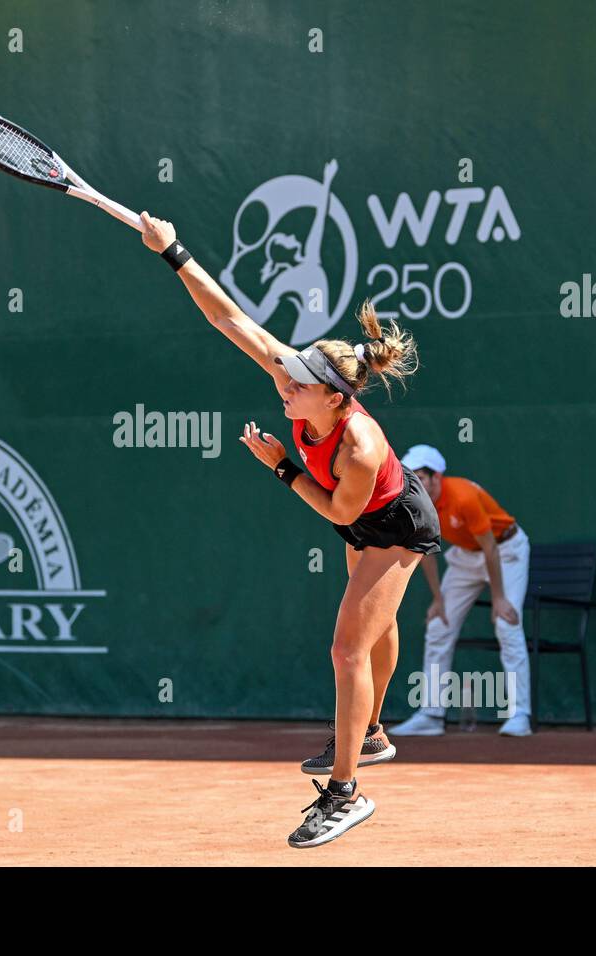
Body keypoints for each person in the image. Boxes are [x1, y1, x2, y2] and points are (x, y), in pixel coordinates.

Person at [139, 211, 441, 848]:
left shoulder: (358, 446)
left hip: (392, 524)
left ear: (333, 398)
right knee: (375, 628)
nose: (285, 382)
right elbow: (228, 318)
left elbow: (339, 512)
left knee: (347, 649)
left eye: (298, 382)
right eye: (289, 371)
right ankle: (375, 732)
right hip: (361, 519)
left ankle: (345, 793)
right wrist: (173, 251)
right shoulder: (297, 379)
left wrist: (281, 466)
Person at [387, 445, 533, 737]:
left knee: (507, 624)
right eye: (410, 476)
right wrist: (438, 600)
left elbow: (490, 547)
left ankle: (520, 715)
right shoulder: (416, 502)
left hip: (505, 551)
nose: (413, 482)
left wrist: (499, 599)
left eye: (419, 476)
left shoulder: (463, 496)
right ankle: (431, 714)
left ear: (436, 477)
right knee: (439, 625)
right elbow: (425, 551)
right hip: (466, 556)